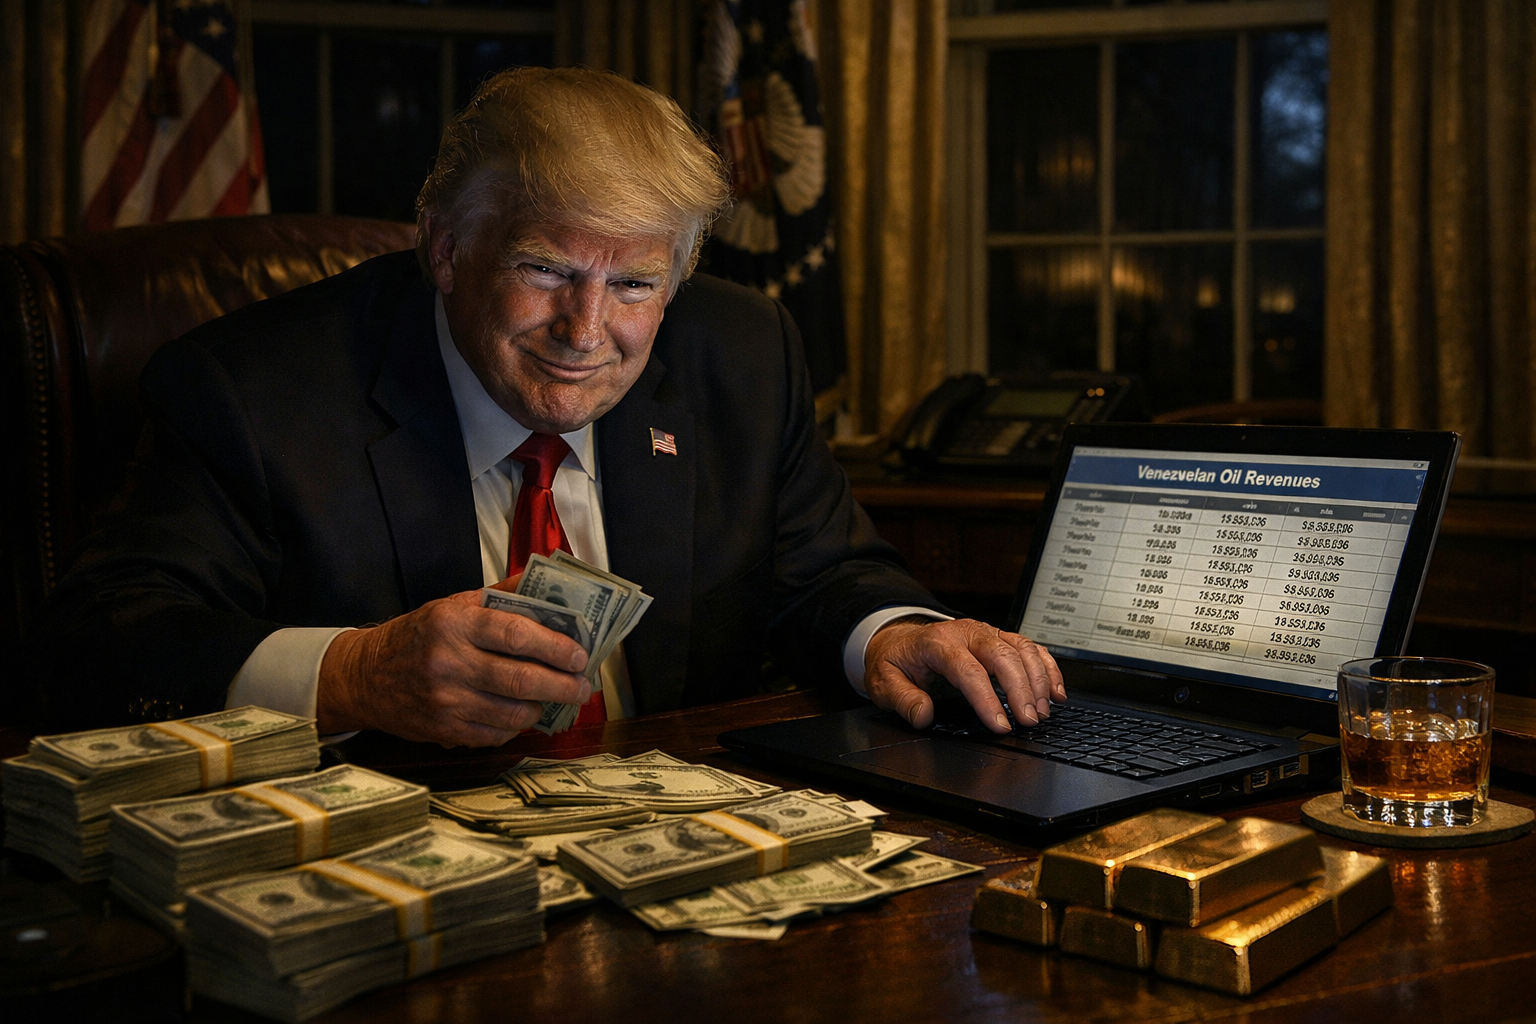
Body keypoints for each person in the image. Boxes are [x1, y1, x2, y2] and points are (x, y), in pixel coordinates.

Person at [28, 67, 1063, 746]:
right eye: (544, 266)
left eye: (635, 284)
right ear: (444, 248)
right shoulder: (250, 387)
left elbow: (823, 573)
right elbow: (99, 648)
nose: (585, 327)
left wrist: (889, 634)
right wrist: (351, 674)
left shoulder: (741, 354)